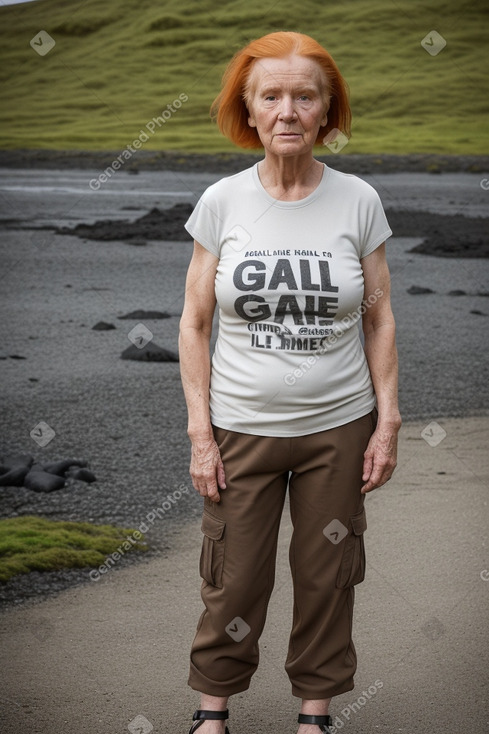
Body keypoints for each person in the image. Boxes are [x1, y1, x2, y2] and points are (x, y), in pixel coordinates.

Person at [179, 31, 401, 734]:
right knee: (234, 575)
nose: (287, 110)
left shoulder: (358, 199)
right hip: (238, 427)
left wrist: (388, 420)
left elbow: (379, 317)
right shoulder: (220, 201)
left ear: (326, 109)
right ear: (247, 110)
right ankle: (211, 711)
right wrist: (198, 435)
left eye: (304, 96)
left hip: (337, 429)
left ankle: (315, 715)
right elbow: (191, 323)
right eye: (269, 96)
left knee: (327, 574)